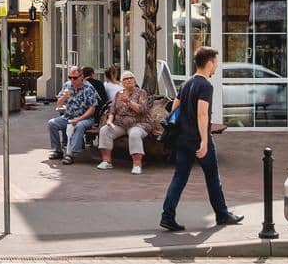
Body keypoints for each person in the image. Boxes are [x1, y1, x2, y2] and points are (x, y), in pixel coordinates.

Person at [160, 46, 244, 231]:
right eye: (216, 63)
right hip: (197, 139)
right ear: (209, 63)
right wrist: (205, 141)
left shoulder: (187, 83)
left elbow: (175, 108)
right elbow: (202, 115)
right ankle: (222, 214)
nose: (216, 67)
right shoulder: (205, 85)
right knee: (213, 177)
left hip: (182, 139)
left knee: (179, 178)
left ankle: (167, 215)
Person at [97, 71, 153, 174]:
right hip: (120, 124)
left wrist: (128, 102)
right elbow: (112, 110)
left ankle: (137, 165)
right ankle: (106, 161)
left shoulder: (141, 93)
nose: (128, 80)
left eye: (130, 78)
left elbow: (142, 110)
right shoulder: (118, 94)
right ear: (122, 82)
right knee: (105, 130)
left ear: (134, 80)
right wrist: (109, 120)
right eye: (125, 79)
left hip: (139, 123)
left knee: (134, 134)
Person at [47, 68, 100, 163]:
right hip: (68, 116)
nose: (72, 80)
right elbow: (58, 104)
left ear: (81, 77)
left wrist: (79, 118)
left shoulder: (88, 88)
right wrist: (64, 98)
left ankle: (70, 153)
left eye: (75, 78)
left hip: (85, 117)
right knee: (52, 123)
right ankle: (57, 150)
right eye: (70, 77)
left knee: (79, 125)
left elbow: (92, 109)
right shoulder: (67, 86)